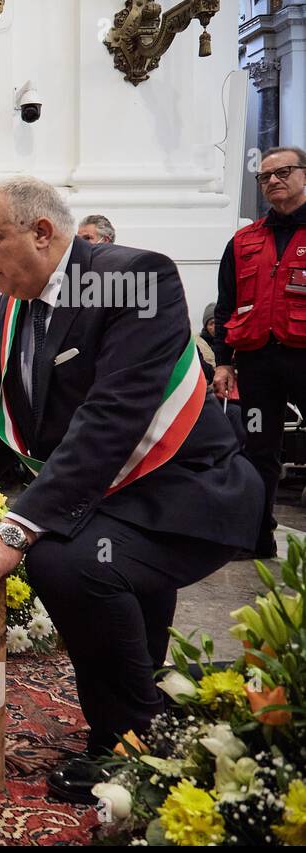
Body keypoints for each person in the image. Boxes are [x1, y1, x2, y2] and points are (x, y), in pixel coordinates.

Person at [0, 177, 261, 804]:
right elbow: (2, 421)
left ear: (41, 232)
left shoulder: (136, 279)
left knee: (64, 558)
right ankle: (147, 705)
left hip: (188, 494)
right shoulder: (23, 300)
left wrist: (15, 529)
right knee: (94, 556)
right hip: (118, 497)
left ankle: (131, 745)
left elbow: (112, 419)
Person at [212, 145, 306, 559]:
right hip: (257, 362)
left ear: (303, 175)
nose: (273, 180)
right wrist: (223, 362)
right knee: (258, 451)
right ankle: (257, 537)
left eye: (283, 172)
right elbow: (226, 304)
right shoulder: (244, 240)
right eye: (265, 176)